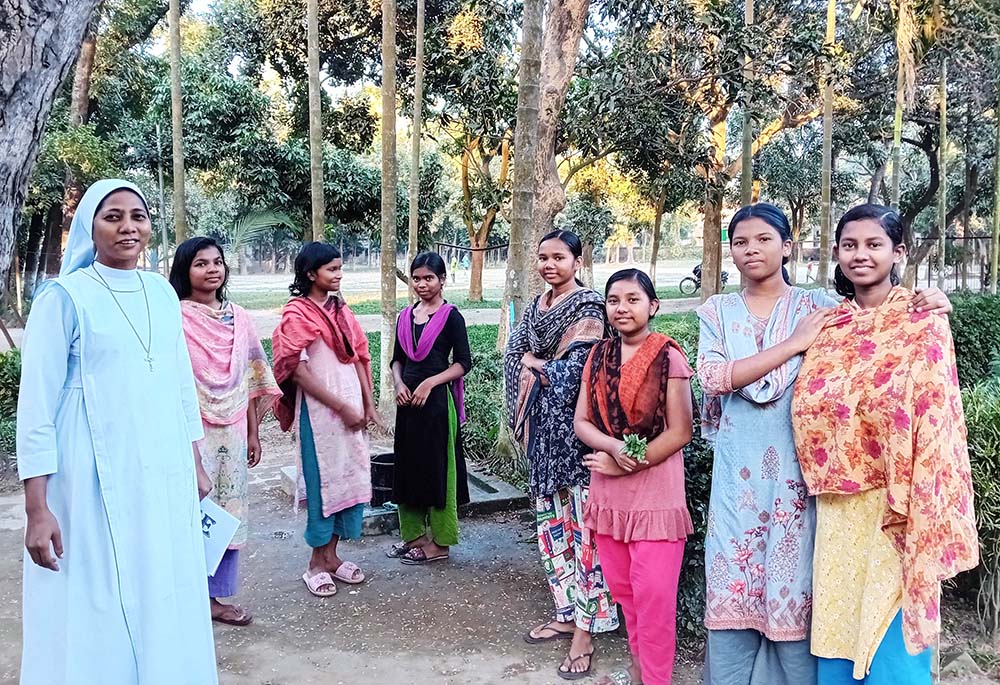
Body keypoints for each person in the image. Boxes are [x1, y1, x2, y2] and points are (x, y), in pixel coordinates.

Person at [696, 203, 953, 685]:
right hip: (739, 480)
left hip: (806, 482)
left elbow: (882, 325)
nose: (751, 250)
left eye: (763, 240)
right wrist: (793, 344)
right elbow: (712, 376)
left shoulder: (821, 308)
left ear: (787, 246)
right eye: (740, 242)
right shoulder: (718, 310)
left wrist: (937, 302)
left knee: (797, 588)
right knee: (734, 583)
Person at [16, 179, 218, 683]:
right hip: (87, 468)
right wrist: (37, 510)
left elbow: (177, 382)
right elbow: (36, 407)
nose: (128, 226)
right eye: (113, 216)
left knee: (161, 576)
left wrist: (194, 461)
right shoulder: (64, 298)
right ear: (89, 225)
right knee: (96, 585)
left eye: (138, 215)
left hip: (162, 464)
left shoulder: (160, 293)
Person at [791, 204, 978, 685]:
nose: (860, 255)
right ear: (835, 252)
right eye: (850, 245)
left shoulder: (924, 320)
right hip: (837, 505)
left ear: (899, 252)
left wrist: (926, 502)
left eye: (874, 245)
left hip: (899, 504)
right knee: (837, 620)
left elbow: (938, 415)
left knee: (891, 629)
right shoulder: (826, 326)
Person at [504, 229, 618, 681]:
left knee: (583, 530)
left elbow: (576, 372)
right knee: (551, 526)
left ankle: (587, 628)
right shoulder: (535, 306)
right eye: (542, 257)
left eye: (558, 257)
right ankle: (566, 610)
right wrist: (530, 362)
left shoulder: (588, 305)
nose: (549, 265)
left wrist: (536, 362)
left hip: (576, 434)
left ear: (577, 259)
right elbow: (512, 353)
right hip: (540, 436)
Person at [574, 269, 695, 685]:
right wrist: (614, 449)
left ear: (653, 306)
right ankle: (641, 670)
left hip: (656, 494)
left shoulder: (669, 357)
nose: (622, 308)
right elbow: (583, 423)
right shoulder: (598, 356)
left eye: (632, 299)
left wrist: (630, 460)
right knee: (626, 595)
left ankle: (655, 678)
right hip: (609, 491)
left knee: (654, 599)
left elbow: (681, 430)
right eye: (613, 301)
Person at [170, 236, 281, 626]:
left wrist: (254, 434)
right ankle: (184, 593)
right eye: (201, 263)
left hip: (233, 430)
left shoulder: (240, 318)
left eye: (217, 262)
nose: (212, 269)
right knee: (186, 507)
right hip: (190, 428)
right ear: (185, 270)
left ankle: (215, 598)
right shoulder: (174, 317)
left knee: (227, 510)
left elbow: (250, 382)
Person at [271, 242, 379, 597]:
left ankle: (332, 556)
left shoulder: (341, 311)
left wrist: (368, 405)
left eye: (340, 268)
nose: (339, 275)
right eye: (332, 269)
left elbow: (360, 358)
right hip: (320, 415)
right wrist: (342, 407)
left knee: (350, 480)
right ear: (310, 274)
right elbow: (298, 373)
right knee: (323, 484)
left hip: (351, 412)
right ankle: (315, 562)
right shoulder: (296, 314)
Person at [387, 252, 473, 564]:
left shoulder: (451, 317)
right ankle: (414, 536)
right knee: (408, 470)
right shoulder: (404, 317)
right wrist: (399, 384)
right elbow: (398, 359)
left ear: (442, 280)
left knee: (439, 472)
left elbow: (464, 363)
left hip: (436, 406)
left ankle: (440, 543)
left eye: (429, 278)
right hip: (407, 405)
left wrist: (430, 383)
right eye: (417, 278)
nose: (422, 284)